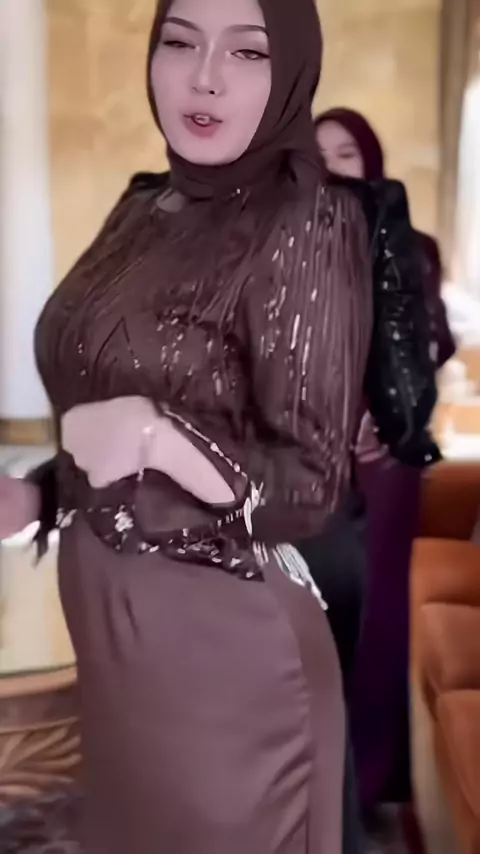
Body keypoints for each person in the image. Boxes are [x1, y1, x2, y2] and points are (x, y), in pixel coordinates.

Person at [0, 1, 375, 852]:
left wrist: (159, 440)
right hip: (116, 634)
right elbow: (108, 408)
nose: (204, 78)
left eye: (247, 52)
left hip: (225, 646)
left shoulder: (308, 222)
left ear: (292, 69)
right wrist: (39, 495)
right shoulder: (143, 207)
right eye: (180, 42)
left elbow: (308, 485)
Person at [313, 106, 455, 816]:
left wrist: (389, 413)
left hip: (385, 459)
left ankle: (372, 777)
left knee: (378, 614)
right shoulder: (292, 247)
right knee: (314, 609)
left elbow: (431, 342)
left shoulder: (411, 246)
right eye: (317, 156)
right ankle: (316, 768)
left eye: (344, 153)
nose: (330, 167)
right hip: (311, 453)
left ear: (370, 161)